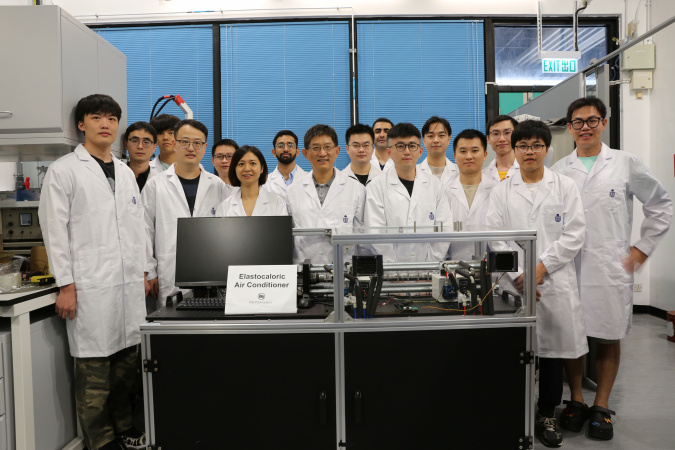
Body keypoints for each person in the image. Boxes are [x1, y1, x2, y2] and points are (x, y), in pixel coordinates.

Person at [551, 98, 673, 441]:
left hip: (609, 266)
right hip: (569, 265)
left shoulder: (625, 163)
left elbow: (661, 204)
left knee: (607, 335)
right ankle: (575, 398)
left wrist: (642, 248)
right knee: (571, 337)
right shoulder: (560, 170)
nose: (585, 127)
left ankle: (601, 405)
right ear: (569, 127)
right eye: (578, 122)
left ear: (604, 123)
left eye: (592, 120)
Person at [38, 94, 147, 450]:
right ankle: (99, 441)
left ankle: (125, 428)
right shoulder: (64, 170)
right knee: (94, 373)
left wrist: (144, 271)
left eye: (112, 118)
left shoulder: (126, 174)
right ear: (81, 124)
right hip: (89, 287)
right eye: (97, 117)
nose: (106, 124)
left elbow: (137, 228)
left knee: (127, 368)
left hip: (128, 286)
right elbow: (55, 230)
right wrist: (65, 285)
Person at [486, 120, 588, 448]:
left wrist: (541, 269)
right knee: (518, 352)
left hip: (553, 283)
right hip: (515, 284)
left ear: (547, 149)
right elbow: (496, 236)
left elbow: (575, 234)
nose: (529, 152)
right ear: (513, 150)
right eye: (523, 146)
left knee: (552, 355)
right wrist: (522, 274)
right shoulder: (502, 191)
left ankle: (546, 414)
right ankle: (516, 412)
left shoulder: (565, 187)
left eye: (536, 146)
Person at [143, 119, 229, 307]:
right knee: (173, 327)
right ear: (174, 143)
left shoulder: (217, 186)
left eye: (197, 143)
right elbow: (145, 230)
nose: (191, 148)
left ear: (205, 147)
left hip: (211, 271)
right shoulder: (155, 185)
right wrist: (150, 271)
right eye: (185, 142)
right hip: (169, 271)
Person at [364, 122, 453, 262]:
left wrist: (429, 266)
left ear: (420, 151)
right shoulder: (376, 186)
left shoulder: (435, 185)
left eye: (412, 146)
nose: (407, 151)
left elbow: (444, 228)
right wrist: (393, 269)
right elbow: (375, 233)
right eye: (400, 146)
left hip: (429, 271)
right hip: (390, 273)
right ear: (389, 152)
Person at [285, 124, 366, 264]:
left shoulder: (356, 189)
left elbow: (362, 237)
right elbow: (287, 239)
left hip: (344, 272)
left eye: (328, 147)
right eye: (316, 148)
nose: (322, 153)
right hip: (305, 273)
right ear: (305, 154)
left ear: (337, 151)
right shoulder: (293, 191)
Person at [444, 129, 498, 260]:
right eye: (463, 151)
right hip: (453, 269)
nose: (469, 156)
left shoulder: (497, 190)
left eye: (474, 151)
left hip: (490, 270)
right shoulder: (444, 191)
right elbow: (440, 237)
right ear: (455, 156)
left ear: (485, 155)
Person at [216, 145, 287, 216]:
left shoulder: (278, 203)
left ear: (262, 168)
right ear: (235, 169)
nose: (247, 169)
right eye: (241, 164)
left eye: (252, 163)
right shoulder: (224, 207)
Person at [264, 130, 307, 201]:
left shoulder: (308, 179)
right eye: (280, 145)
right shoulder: (265, 183)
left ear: (297, 152)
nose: (286, 149)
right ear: (274, 152)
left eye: (290, 145)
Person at [418, 116, 457, 187]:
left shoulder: (460, 173)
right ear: (423, 140)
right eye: (430, 136)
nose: (436, 140)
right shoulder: (414, 172)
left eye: (441, 135)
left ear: (449, 139)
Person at [124, 121, 161, 192]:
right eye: (135, 141)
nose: (140, 146)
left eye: (146, 142)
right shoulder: (117, 174)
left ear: (154, 147)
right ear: (126, 144)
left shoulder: (161, 180)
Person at [484, 115, 519, 182]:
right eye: (496, 134)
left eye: (507, 133)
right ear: (488, 139)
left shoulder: (527, 171)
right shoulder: (483, 175)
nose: (501, 139)